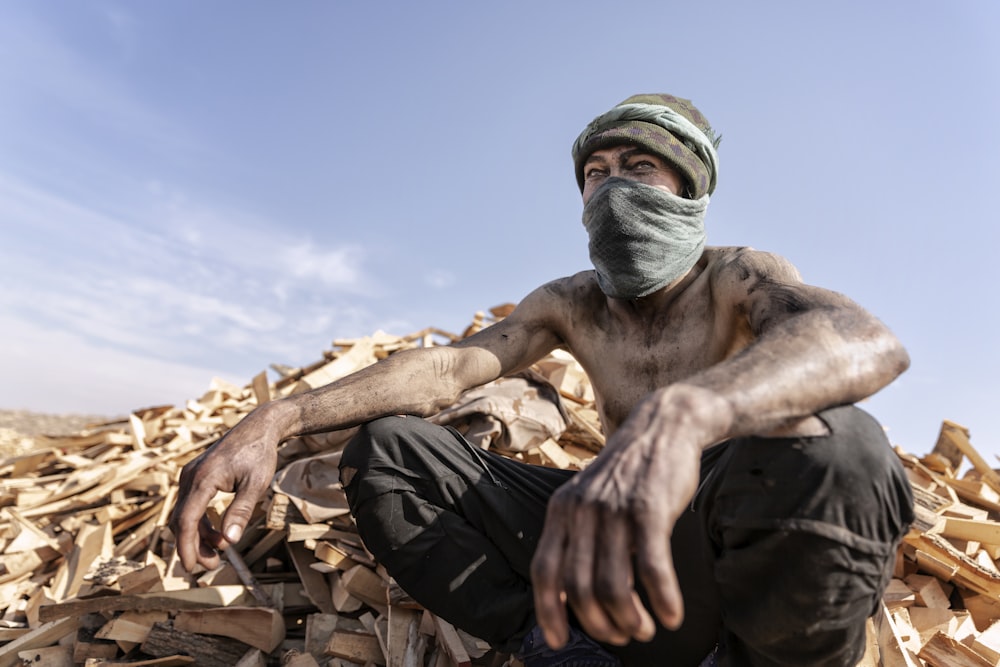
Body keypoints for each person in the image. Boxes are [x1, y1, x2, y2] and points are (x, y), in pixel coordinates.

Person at [171, 93, 914, 666]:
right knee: (392, 452)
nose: (612, 187)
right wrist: (281, 418)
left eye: (639, 168)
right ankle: (561, 644)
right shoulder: (573, 301)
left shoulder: (738, 275)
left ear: (689, 190)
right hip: (614, 556)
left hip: (712, 552)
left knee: (844, 447)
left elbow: (859, 339)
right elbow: (450, 368)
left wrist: (686, 415)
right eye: (596, 174)